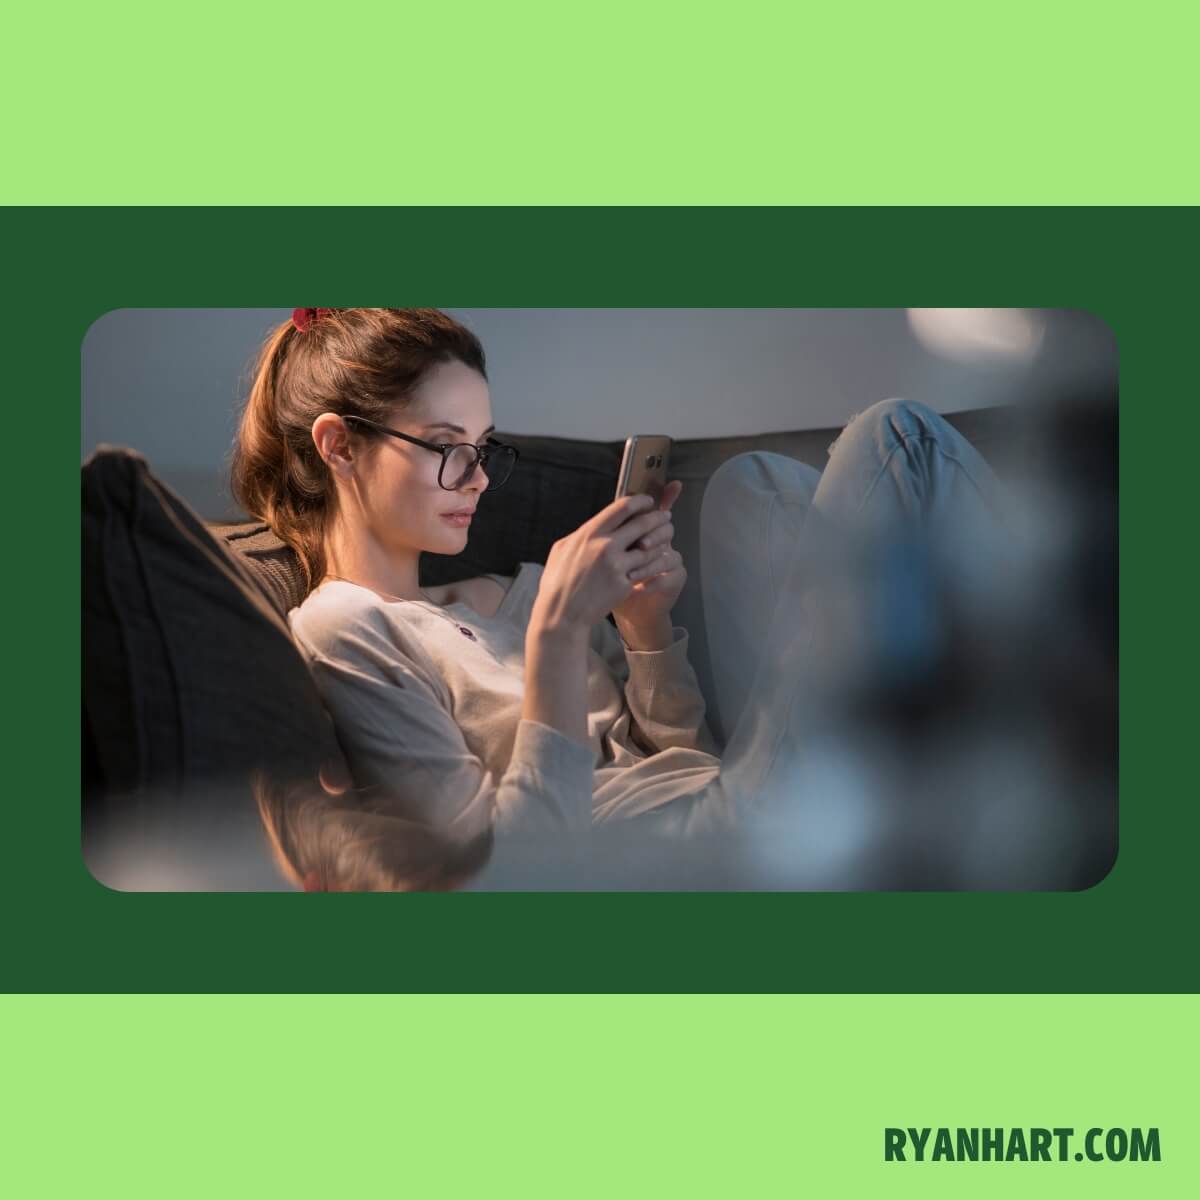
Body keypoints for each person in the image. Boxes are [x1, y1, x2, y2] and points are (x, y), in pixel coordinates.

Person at [231, 307, 1011, 887]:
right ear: (338, 445)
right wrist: (560, 636)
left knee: (755, 485)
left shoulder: (517, 587)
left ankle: (962, 742)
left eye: (481, 449)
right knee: (896, 438)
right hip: (677, 861)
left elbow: (685, 759)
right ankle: (1050, 701)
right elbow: (508, 877)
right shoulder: (347, 625)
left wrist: (643, 630)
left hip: (727, 793)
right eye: (444, 448)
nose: (474, 479)